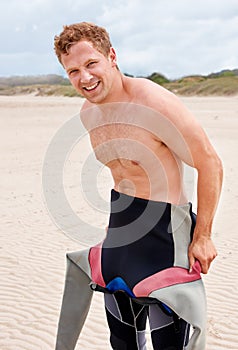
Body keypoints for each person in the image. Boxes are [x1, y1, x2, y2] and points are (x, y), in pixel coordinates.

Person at [54, 22, 223, 350]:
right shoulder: (89, 113)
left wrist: (203, 235)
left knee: (168, 343)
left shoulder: (152, 102)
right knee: (122, 340)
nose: (84, 78)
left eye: (91, 64)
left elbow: (210, 162)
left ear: (111, 56)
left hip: (165, 236)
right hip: (121, 233)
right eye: (73, 71)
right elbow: (123, 174)